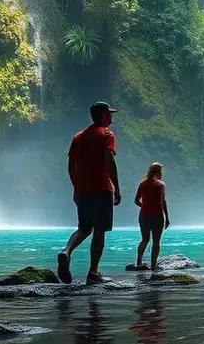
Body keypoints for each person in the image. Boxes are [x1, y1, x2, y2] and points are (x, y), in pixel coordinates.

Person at [57, 101, 122, 285]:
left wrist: (76, 187)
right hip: (102, 189)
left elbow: (71, 166)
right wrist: (116, 187)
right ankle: (93, 273)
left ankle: (66, 252)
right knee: (99, 231)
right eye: (109, 114)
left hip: (83, 190)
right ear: (103, 116)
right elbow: (109, 160)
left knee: (84, 228)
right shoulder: (106, 134)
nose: (112, 117)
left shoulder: (78, 137)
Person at [133, 162, 170, 271]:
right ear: (158, 172)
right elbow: (162, 201)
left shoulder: (142, 184)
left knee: (144, 239)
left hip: (144, 215)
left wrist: (145, 205)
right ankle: (153, 266)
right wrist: (167, 218)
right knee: (156, 241)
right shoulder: (161, 185)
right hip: (157, 216)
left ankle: (138, 263)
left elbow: (136, 201)